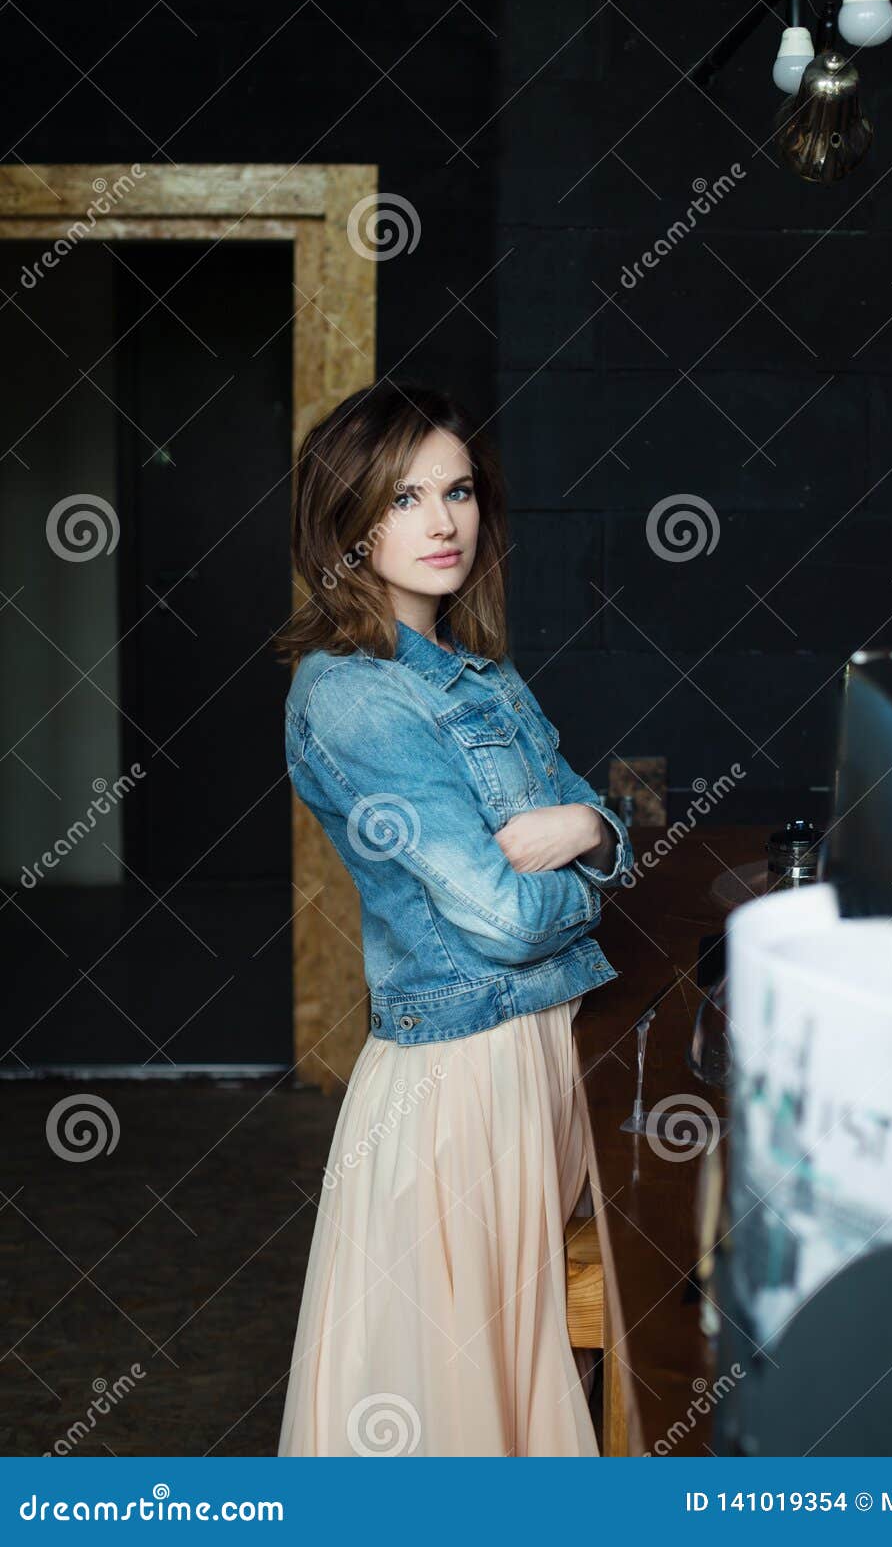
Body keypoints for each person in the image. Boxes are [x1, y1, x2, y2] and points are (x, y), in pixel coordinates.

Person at [271, 381, 633, 1457]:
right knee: (456, 1405)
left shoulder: (479, 677)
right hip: (455, 1082)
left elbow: (611, 823)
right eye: (402, 498)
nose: (441, 521)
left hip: (533, 1060)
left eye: (458, 490)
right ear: (345, 524)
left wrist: (582, 826)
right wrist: (584, 856)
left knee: (516, 1368)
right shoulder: (350, 696)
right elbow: (505, 919)